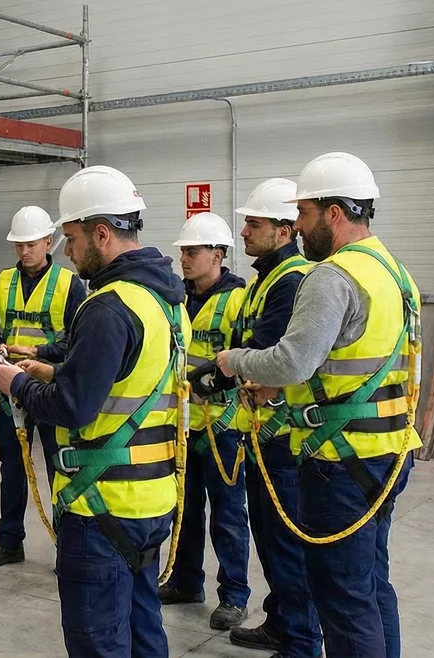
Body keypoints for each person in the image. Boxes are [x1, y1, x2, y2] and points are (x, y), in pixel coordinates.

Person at [220, 153, 420, 658]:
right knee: (372, 585)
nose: (300, 228)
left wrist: (234, 361)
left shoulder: (332, 276)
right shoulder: (396, 274)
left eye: (304, 215)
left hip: (340, 462)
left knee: (344, 598)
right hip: (389, 451)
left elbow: (292, 363)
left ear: (334, 213)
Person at [0, 166, 188, 657]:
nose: (68, 250)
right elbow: (129, 381)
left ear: (102, 233)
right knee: (144, 632)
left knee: (98, 642)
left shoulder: (107, 306)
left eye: (73, 238)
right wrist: (54, 372)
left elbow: (74, 410)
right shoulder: (166, 304)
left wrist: (17, 384)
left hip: (102, 506)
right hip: (151, 500)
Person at [221, 178, 322, 658]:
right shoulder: (267, 278)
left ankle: (300, 640)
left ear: (284, 231)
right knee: (269, 538)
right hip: (261, 432)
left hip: (281, 437)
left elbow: (268, 354)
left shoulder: (293, 281)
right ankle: (281, 621)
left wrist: (222, 367)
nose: (244, 231)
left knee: (284, 543)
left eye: (254, 224)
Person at [0, 205, 86, 569]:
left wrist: (38, 351)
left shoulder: (70, 285)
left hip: (51, 388)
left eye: (31, 244)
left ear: (48, 242)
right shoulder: (4, 282)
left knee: (60, 468)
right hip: (11, 393)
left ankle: (66, 547)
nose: (24, 251)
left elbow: (76, 341)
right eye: (19, 244)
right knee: (12, 468)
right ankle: (8, 542)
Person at [158, 212, 250, 631]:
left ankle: (233, 596)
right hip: (184, 426)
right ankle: (185, 580)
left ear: (218, 254)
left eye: (193, 252)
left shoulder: (238, 300)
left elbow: (246, 363)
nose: (185, 259)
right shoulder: (177, 300)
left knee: (228, 516)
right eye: (182, 252)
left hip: (224, 428)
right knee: (185, 510)